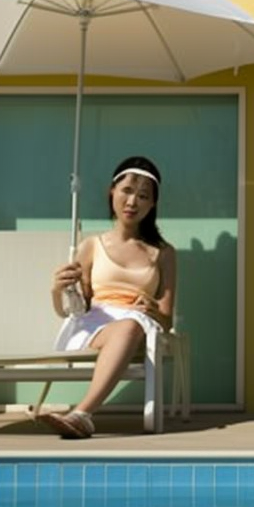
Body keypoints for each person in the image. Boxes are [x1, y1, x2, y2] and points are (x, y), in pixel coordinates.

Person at [43, 155, 177, 439]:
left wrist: (152, 308)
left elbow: (166, 321)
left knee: (129, 326)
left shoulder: (164, 253)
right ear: (112, 192)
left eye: (143, 196)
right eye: (127, 191)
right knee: (122, 328)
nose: (132, 202)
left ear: (152, 204)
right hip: (96, 323)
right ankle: (81, 417)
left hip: (139, 323)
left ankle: (82, 415)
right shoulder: (92, 245)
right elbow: (70, 309)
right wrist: (57, 289)